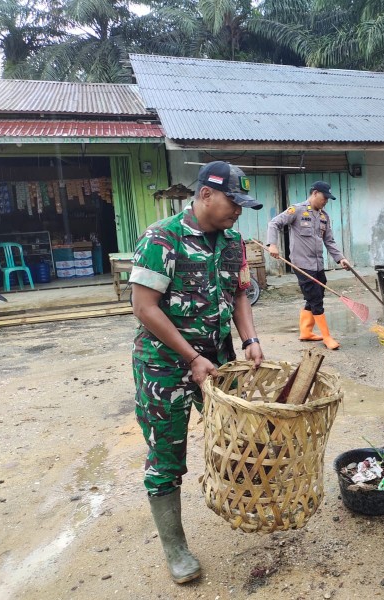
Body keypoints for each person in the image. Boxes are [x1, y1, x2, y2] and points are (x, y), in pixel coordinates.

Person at [130, 161, 265, 584]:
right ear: (206, 194)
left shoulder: (233, 242)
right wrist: (191, 357)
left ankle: (236, 502)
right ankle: (175, 548)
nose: (239, 211)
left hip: (218, 363)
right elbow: (144, 306)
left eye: (244, 205)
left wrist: (249, 340)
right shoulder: (162, 238)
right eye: (234, 202)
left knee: (237, 434)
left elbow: (240, 294)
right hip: (164, 366)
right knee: (166, 456)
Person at [266, 181, 350, 350]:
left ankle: (306, 332)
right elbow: (274, 223)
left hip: (318, 265)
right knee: (316, 298)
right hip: (302, 264)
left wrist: (340, 258)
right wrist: (272, 245)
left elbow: (329, 240)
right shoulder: (296, 210)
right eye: (324, 197)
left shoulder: (324, 216)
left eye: (328, 198)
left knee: (315, 295)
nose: (326, 201)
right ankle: (327, 337)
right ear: (315, 193)